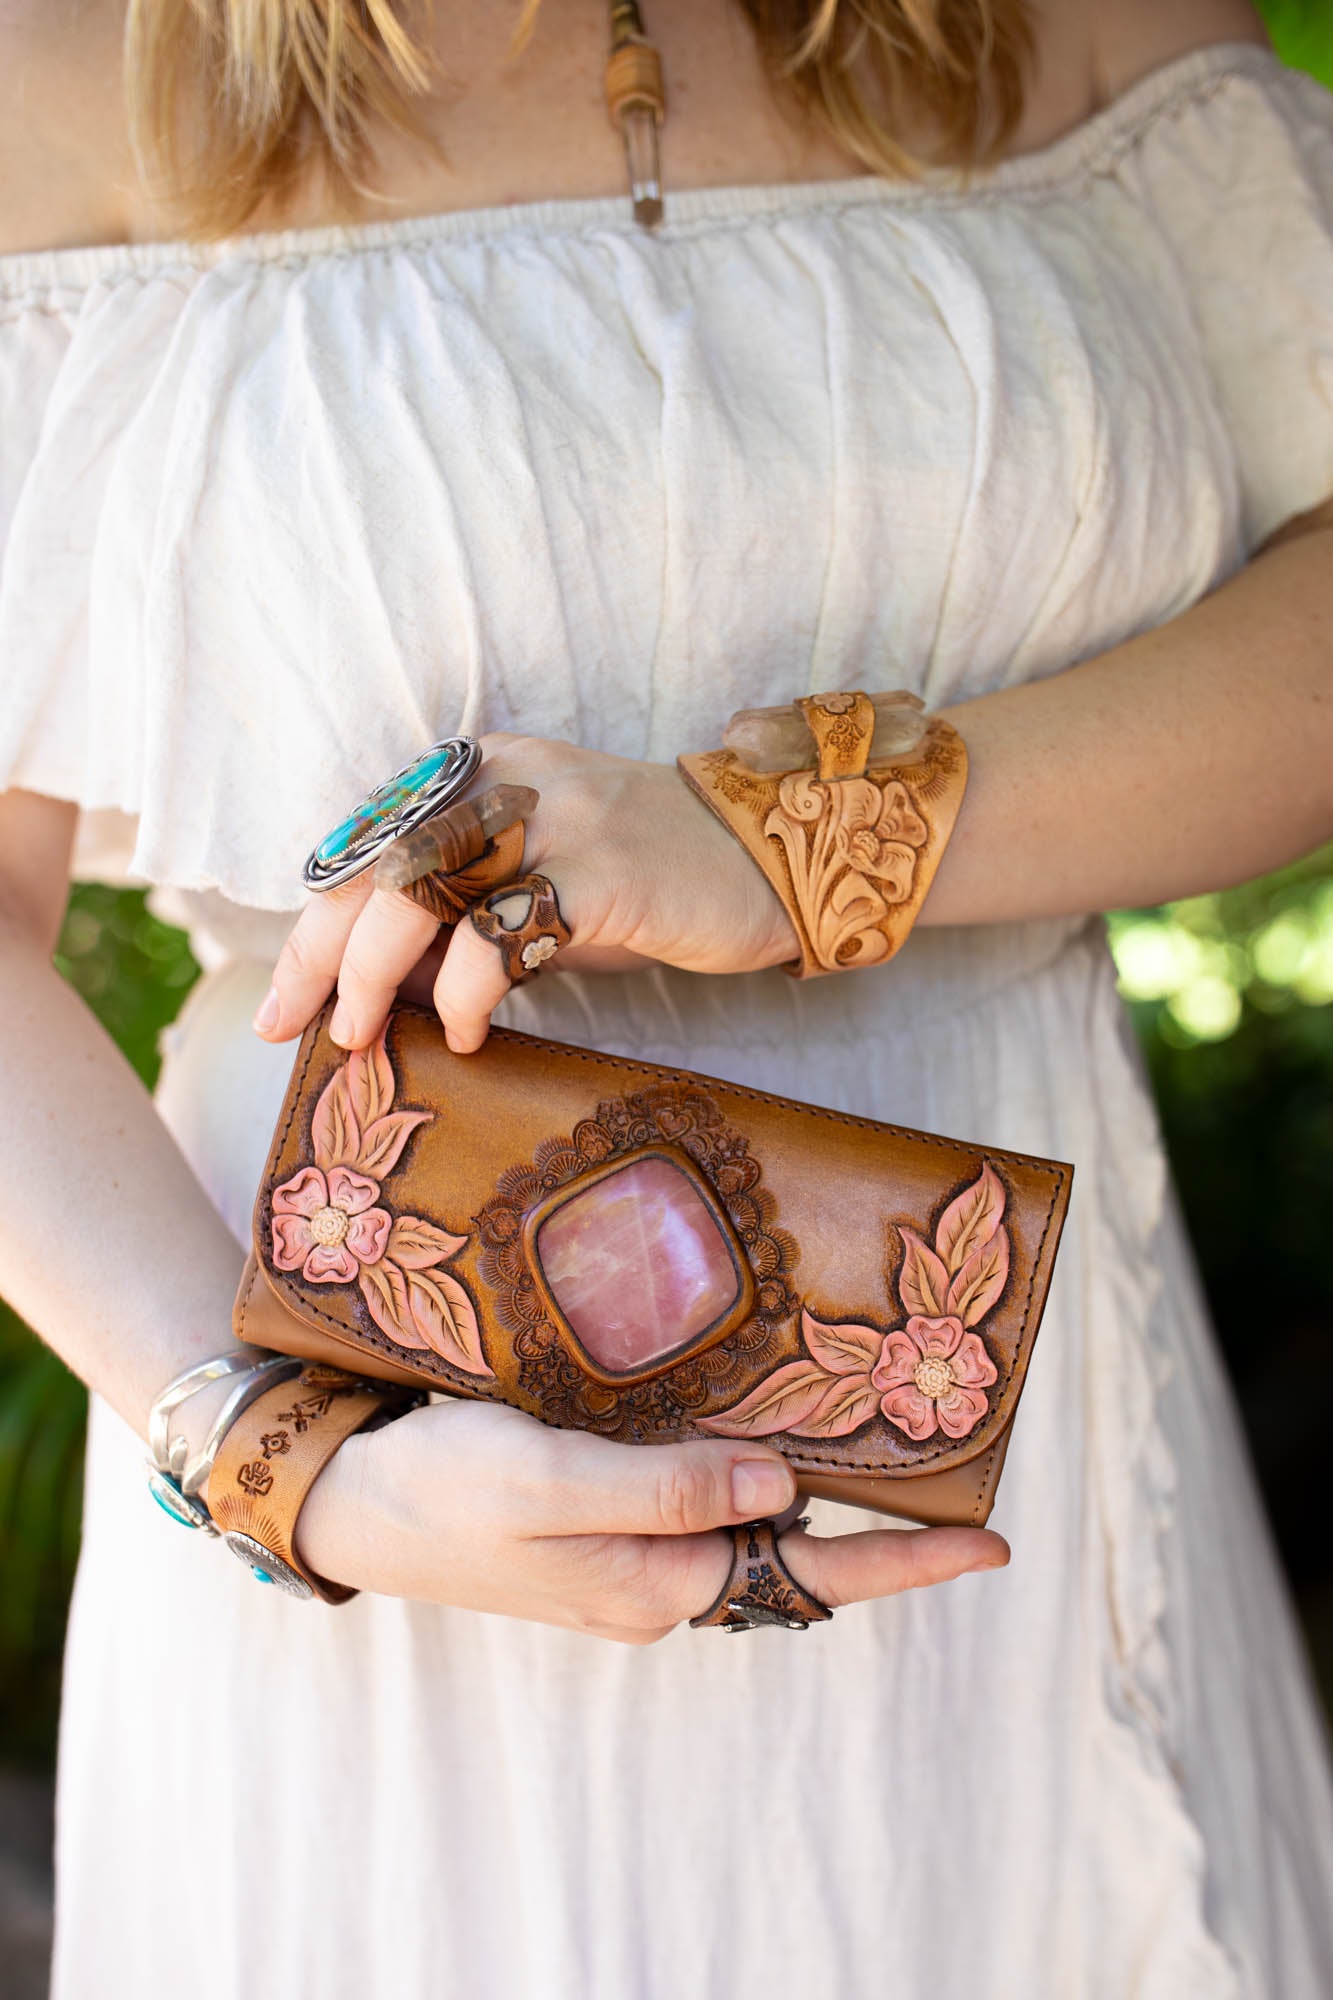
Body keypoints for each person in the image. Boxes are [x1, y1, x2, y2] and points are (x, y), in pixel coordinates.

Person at [2, 0, 1332, 1992]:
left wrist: (782, 834)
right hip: (384, 1478)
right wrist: (286, 1451)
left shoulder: (1079, 24)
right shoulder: (55, 75)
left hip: (1019, 1442)